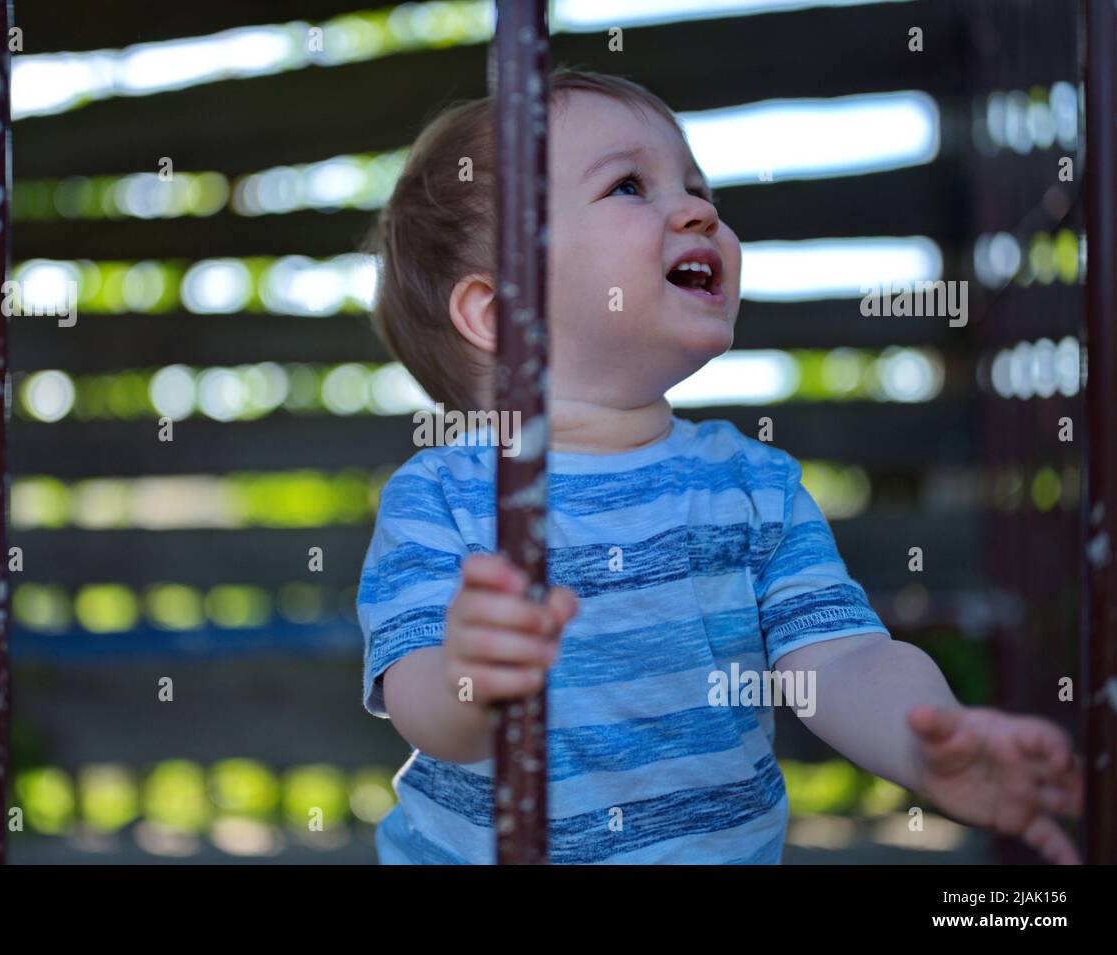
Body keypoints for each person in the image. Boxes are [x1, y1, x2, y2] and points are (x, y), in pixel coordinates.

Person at [355, 67, 1082, 864]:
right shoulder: (443, 497)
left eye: (700, 188)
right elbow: (422, 697)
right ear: (498, 314)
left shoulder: (753, 486)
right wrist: (468, 671)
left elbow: (838, 658)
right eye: (630, 186)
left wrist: (925, 747)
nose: (699, 211)